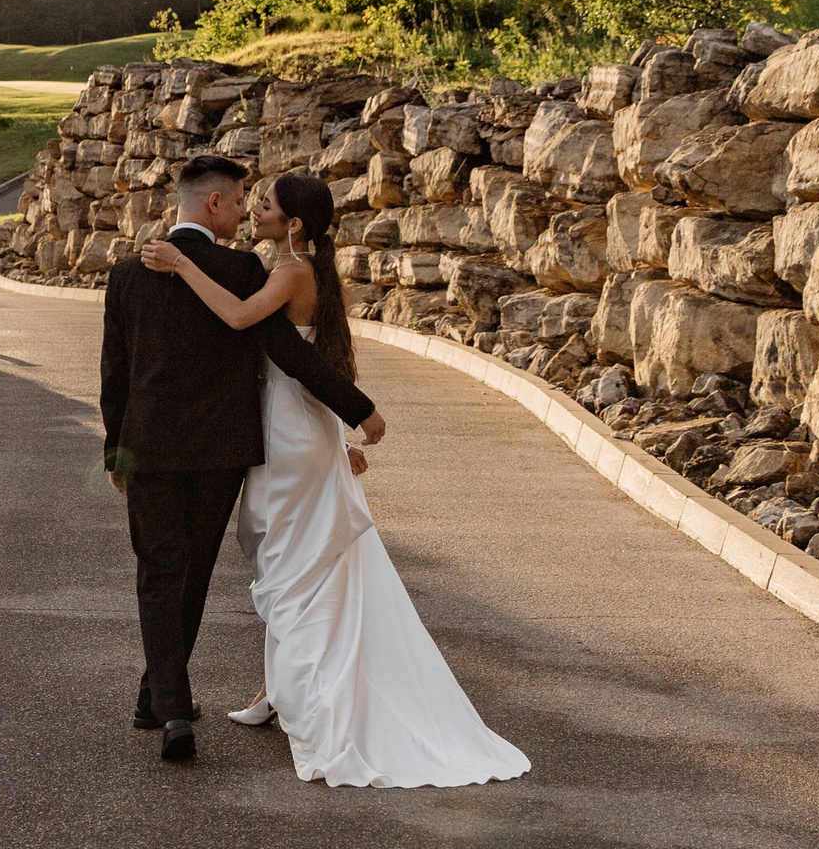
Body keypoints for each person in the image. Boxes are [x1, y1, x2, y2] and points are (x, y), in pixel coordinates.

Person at [140, 172, 529, 789]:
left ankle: (304, 697)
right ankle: (276, 687)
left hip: (290, 434)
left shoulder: (291, 272)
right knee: (285, 557)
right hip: (291, 425)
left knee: (290, 561)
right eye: (251, 202)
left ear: (293, 224)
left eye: (263, 206)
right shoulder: (293, 268)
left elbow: (245, 322)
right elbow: (298, 359)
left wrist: (182, 264)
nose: (253, 211)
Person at [101, 155, 384, 763]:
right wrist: (357, 409)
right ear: (213, 204)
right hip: (220, 453)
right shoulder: (240, 268)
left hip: (148, 449)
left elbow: (114, 377)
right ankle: (160, 697)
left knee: (157, 575)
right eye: (238, 201)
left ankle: (170, 707)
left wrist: (114, 453)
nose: (244, 211)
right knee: (193, 572)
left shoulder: (127, 275)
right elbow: (288, 351)